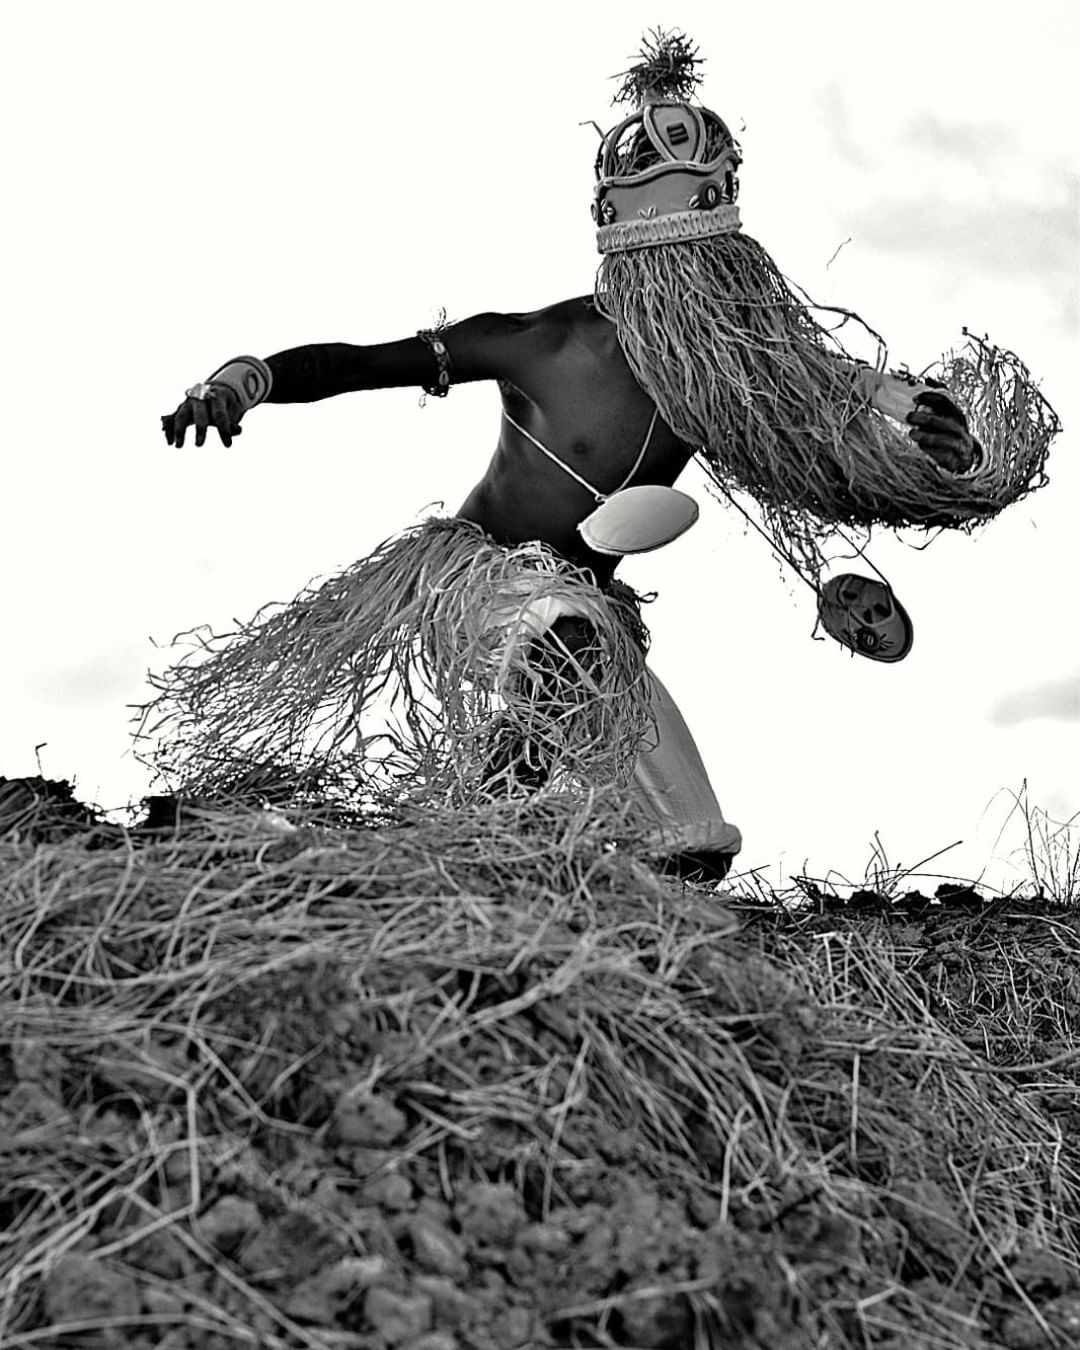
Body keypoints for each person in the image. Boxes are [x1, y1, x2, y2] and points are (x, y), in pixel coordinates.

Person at [157, 33, 1040, 883]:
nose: (699, 292)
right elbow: (360, 363)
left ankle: (511, 843)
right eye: (678, 270)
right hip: (479, 583)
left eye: (709, 269)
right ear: (634, 264)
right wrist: (248, 379)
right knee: (567, 636)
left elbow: (867, 411)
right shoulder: (543, 343)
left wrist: (943, 442)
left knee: (690, 842)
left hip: (591, 618)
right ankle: (493, 820)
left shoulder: (735, 374)